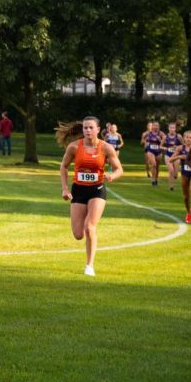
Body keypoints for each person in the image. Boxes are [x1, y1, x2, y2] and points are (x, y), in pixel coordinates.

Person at [58, 116, 124, 276]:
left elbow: (119, 169)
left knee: (89, 227)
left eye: (91, 127)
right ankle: (88, 259)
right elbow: (64, 166)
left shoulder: (106, 147)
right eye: (85, 128)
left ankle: (89, 266)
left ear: (97, 129)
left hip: (97, 189)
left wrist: (112, 176)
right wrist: (65, 189)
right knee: (78, 234)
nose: (88, 130)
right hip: (79, 190)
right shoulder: (74, 147)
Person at [177, 130, 191, 224]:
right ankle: (188, 213)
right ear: (183, 138)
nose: (188, 139)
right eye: (186, 137)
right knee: (186, 197)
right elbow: (170, 159)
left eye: (190, 137)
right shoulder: (180, 148)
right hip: (184, 174)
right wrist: (180, 157)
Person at [142, 121, 164, 187]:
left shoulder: (161, 133)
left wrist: (160, 140)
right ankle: (153, 179)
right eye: (154, 125)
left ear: (159, 127)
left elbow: (165, 142)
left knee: (157, 166)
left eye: (157, 125)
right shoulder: (148, 133)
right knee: (153, 164)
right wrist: (146, 143)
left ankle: (156, 179)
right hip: (150, 151)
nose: (155, 127)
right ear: (152, 126)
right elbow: (143, 140)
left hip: (158, 151)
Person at [164, 122, 183, 191]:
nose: (172, 129)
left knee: (175, 174)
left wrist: (177, 147)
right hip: (168, 155)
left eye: (173, 128)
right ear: (168, 128)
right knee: (171, 170)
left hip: (176, 156)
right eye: (170, 128)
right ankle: (171, 186)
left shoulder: (179, 136)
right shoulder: (165, 136)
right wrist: (164, 148)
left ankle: (176, 174)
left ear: (175, 129)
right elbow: (160, 145)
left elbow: (184, 145)